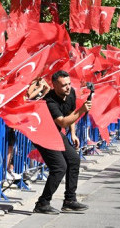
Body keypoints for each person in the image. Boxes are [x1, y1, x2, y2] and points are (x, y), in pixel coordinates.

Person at [33, 70, 91, 215]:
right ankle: (42, 203)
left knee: (74, 160)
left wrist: (73, 133)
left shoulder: (70, 93)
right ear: (55, 86)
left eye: (69, 84)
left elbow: (70, 114)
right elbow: (63, 121)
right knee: (59, 167)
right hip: (42, 134)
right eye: (64, 85)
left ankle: (70, 200)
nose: (68, 87)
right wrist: (82, 110)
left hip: (56, 133)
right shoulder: (49, 101)